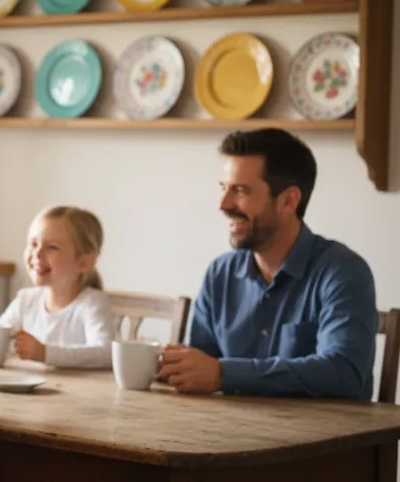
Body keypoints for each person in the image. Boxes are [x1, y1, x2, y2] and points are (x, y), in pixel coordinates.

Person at [159, 128, 377, 399]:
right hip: (234, 436)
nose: (223, 204)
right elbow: (201, 368)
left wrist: (225, 375)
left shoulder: (343, 272)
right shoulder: (220, 273)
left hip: (322, 439)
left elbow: (344, 373)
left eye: (240, 190)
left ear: (288, 200)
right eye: (223, 188)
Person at [0, 206, 114, 368]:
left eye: (52, 247)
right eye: (33, 244)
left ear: (84, 262)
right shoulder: (26, 299)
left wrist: (45, 353)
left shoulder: (92, 304)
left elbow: (106, 353)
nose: (37, 254)